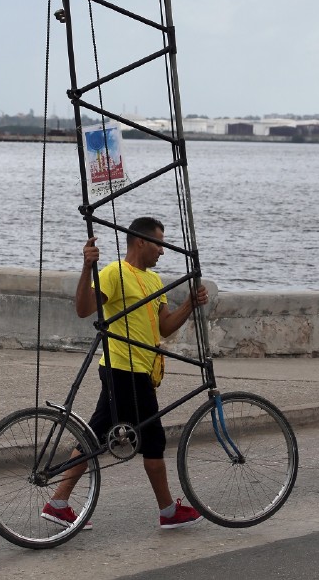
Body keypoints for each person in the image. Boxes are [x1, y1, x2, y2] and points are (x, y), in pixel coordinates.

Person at [42, 216, 208, 531]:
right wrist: (85, 266)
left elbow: (164, 327)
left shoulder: (155, 281)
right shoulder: (116, 272)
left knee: (95, 433)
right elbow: (83, 308)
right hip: (122, 367)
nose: (162, 251)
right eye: (159, 243)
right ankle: (168, 510)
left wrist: (189, 304)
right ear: (140, 241)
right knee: (154, 440)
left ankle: (59, 502)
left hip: (140, 372)